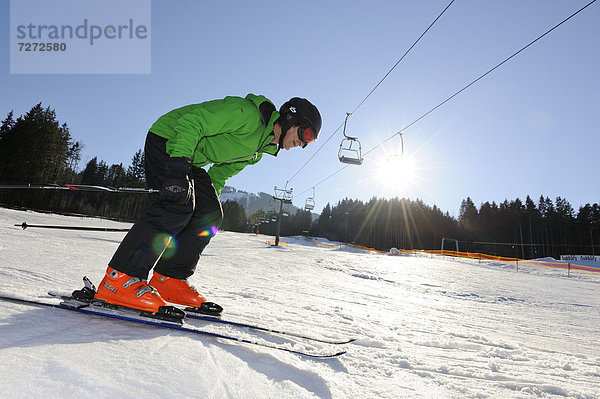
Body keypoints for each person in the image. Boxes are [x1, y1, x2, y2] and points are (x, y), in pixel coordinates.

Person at [93, 94, 322, 315]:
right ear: (292, 119)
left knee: (210, 216)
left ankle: (168, 279)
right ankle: (120, 278)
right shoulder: (247, 115)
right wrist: (177, 167)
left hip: (190, 158)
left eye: (309, 141)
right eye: (307, 134)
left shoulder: (257, 152)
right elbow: (193, 122)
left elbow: (219, 175)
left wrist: (206, 205)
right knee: (175, 205)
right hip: (168, 141)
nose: (303, 144)